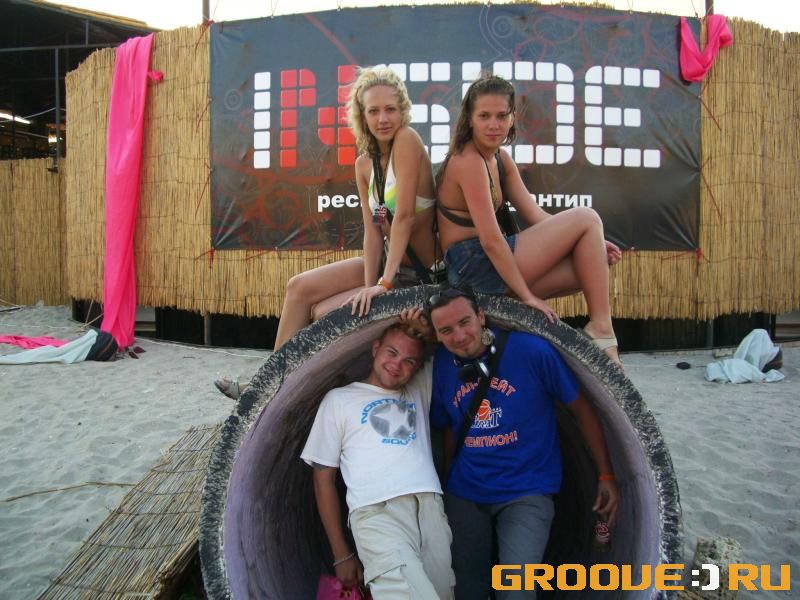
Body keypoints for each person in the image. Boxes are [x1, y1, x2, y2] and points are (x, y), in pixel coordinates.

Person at [215, 66, 440, 399]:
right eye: (373, 111)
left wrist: (383, 285)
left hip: (417, 275)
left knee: (322, 313)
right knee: (299, 287)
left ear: (403, 110)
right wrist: (369, 287)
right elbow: (373, 232)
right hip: (386, 266)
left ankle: (284, 391)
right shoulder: (364, 164)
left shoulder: (407, 139)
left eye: (390, 109)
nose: (383, 119)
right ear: (362, 115)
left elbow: (404, 216)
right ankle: (266, 387)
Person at [426, 286, 619, 600]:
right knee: (467, 585)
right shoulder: (443, 366)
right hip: (466, 491)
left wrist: (605, 474)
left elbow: (581, 408)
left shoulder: (531, 352)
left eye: (464, 322)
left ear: (481, 316)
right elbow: (448, 425)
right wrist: (448, 480)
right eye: (446, 330)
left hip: (526, 491)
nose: (459, 336)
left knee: (518, 590)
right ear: (435, 335)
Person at [435, 74, 623, 366]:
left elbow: (536, 216)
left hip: (489, 265)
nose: (494, 124)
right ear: (469, 119)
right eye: (484, 116)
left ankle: (601, 337)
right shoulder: (468, 161)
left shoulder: (500, 159)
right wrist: (527, 297)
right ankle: (602, 329)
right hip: (472, 265)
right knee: (587, 216)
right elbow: (491, 240)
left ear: (512, 118)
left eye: (501, 116)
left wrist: (592, 241)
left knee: (587, 268)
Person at [301, 311, 454, 599]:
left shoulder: (418, 389)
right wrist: (341, 554)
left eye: (409, 361)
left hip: (430, 509)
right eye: (391, 352)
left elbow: (455, 345)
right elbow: (323, 481)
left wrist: (427, 330)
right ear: (375, 348)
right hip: (377, 513)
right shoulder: (339, 400)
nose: (397, 365)